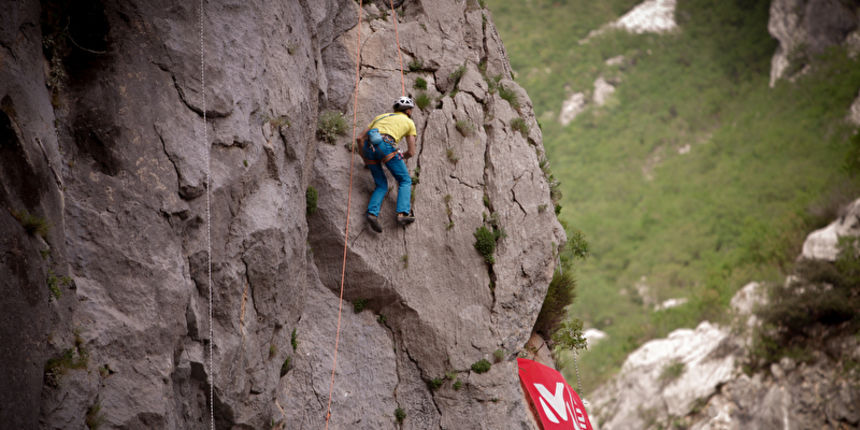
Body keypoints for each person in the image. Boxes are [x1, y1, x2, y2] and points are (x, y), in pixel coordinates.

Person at [356, 96, 418, 232]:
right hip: (387, 146)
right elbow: (412, 152)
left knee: (382, 185)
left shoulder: (380, 117)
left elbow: (360, 138)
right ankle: (402, 214)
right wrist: (401, 157)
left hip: (369, 147)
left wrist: (365, 158)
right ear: (408, 111)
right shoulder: (409, 122)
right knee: (405, 180)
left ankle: (372, 214)